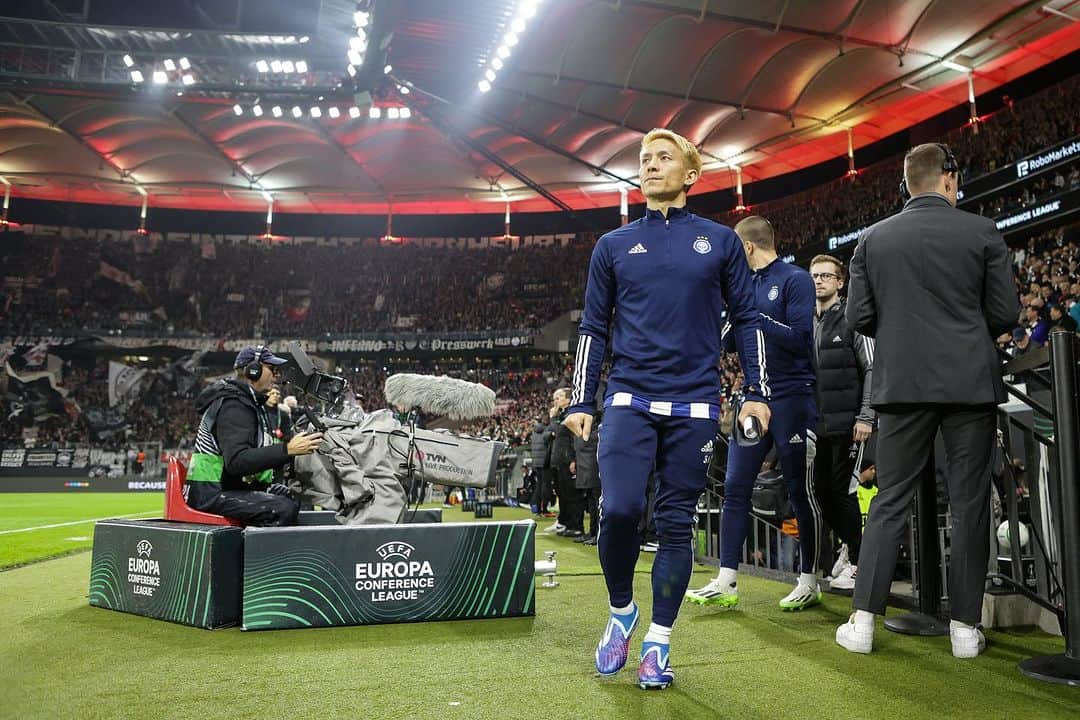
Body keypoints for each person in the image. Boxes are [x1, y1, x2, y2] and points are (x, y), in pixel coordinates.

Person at [563, 127, 770, 690]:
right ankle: (622, 609)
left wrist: (756, 391)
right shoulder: (612, 245)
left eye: (663, 158)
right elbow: (591, 328)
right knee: (622, 509)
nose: (650, 166)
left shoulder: (721, 242)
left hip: (695, 404)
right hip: (628, 397)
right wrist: (583, 398)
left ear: (691, 173)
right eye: (644, 159)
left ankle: (658, 641)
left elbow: (747, 320)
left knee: (677, 525)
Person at [835, 143, 1019, 658]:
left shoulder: (871, 239)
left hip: (902, 386)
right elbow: (1004, 312)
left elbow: (858, 319)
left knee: (891, 500)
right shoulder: (982, 231)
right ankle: (964, 631)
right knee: (970, 504)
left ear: (907, 185)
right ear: (948, 180)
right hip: (969, 384)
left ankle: (864, 622)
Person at [686, 216, 822, 611]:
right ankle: (726, 579)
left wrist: (753, 318)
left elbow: (799, 340)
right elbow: (727, 345)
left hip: (794, 397)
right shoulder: (741, 288)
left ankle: (809, 578)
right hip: (752, 397)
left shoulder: (794, 279)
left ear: (746, 247)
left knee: (798, 489)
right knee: (735, 486)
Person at [186, 345, 323, 526]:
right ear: (253, 370)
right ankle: (258, 555)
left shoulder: (246, 402)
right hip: (210, 493)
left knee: (295, 495)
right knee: (283, 508)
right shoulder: (234, 405)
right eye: (272, 369)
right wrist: (287, 449)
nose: (276, 375)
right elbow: (236, 462)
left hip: (227, 486)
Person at [810, 253, 874, 591]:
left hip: (850, 424)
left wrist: (866, 416)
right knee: (820, 494)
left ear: (840, 281)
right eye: (814, 276)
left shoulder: (853, 318)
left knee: (843, 492)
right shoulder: (806, 321)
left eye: (825, 275)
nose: (819, 281)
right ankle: (850, 547)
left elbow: (872, 369)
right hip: (817, 425)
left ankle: (861, 563)